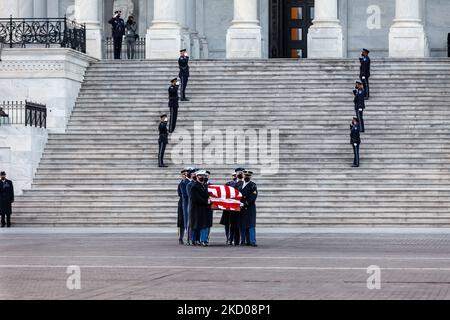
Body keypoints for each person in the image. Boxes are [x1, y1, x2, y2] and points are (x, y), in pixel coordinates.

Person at [189, 170, 212, 247]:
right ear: (197, 177)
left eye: (203, 176)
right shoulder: (194, 186)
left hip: (204, 209)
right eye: (200, 176)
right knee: (195, 225)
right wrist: (206, 201)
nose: (202, 177)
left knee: (204, 225)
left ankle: (203, 240)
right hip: (196, 209)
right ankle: (193, 240)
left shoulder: (205, 186)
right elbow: (196, 198)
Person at [238, 170, 258, 247]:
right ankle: (243, 241)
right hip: (241, 208)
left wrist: (245, 203)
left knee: (251, 225)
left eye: (248, 176)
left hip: (249, 208)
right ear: (243, 176)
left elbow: (253, 197)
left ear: (250, 177)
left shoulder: (253, 185)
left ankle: (252, 241)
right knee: (242, 225)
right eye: (245, 175)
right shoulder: (239, 184)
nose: (246, 177)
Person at [220, 172, 237, 245]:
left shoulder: (241, 184)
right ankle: (228, 238)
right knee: (227, 224)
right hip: (227, 208)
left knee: (233, 224)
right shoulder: (228, 184)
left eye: (235, 175)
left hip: (234, 208)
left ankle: (232, 239)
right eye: (233, 175)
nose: (234, 177)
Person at [186, 170, 198, 245]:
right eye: (193, 174)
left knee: (197, 223)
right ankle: (189, 239)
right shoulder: (189, 185)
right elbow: (190, 196)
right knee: (190, 223)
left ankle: (195, 239)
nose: (195, 175)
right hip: (192, 206)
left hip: (198, 206)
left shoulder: (198, 184)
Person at [177, 169, 187, 244]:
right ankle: (181, 237)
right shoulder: (181, 183)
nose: (185, 175)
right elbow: (180, 194)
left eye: (186, 174)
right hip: (182, 202)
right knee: (181, 221)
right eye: (183, 174)